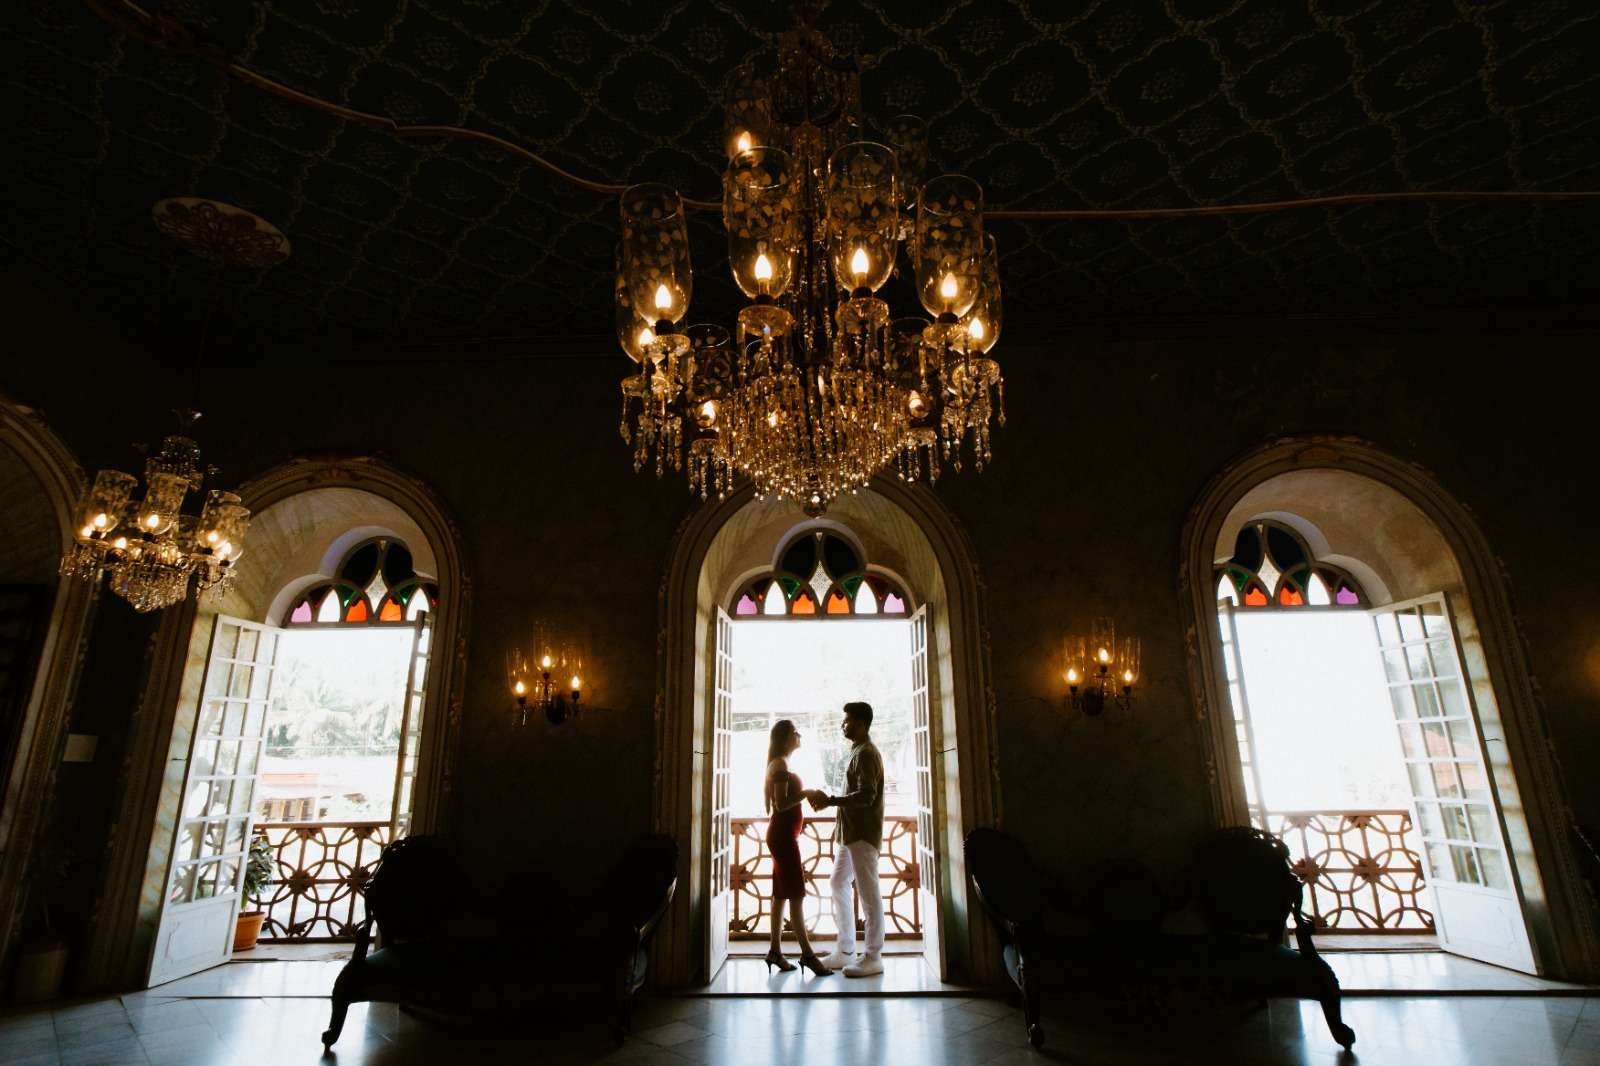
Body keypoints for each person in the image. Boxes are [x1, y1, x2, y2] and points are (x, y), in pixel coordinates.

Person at [811, 701, 885, 977]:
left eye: (847, 721)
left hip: (863, 833)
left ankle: (873, 956)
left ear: (862, 724)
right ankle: (845, 951)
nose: (842, 725)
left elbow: (867, 796)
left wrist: (830, 801)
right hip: (850, 834)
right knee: (838, 882)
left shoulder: (866, 753)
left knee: (869, 893)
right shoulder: (857, 751)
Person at [762, 719, 831, 977]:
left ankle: (775, 951)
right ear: (785, 738)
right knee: (796, 894)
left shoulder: (781, 763)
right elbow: (780, 804)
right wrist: (807, 792)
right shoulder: (780, 764)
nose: (799, 735)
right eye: (794, 732)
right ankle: (808, 955)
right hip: (782, 838)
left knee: (781, 895)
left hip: (783, 835)